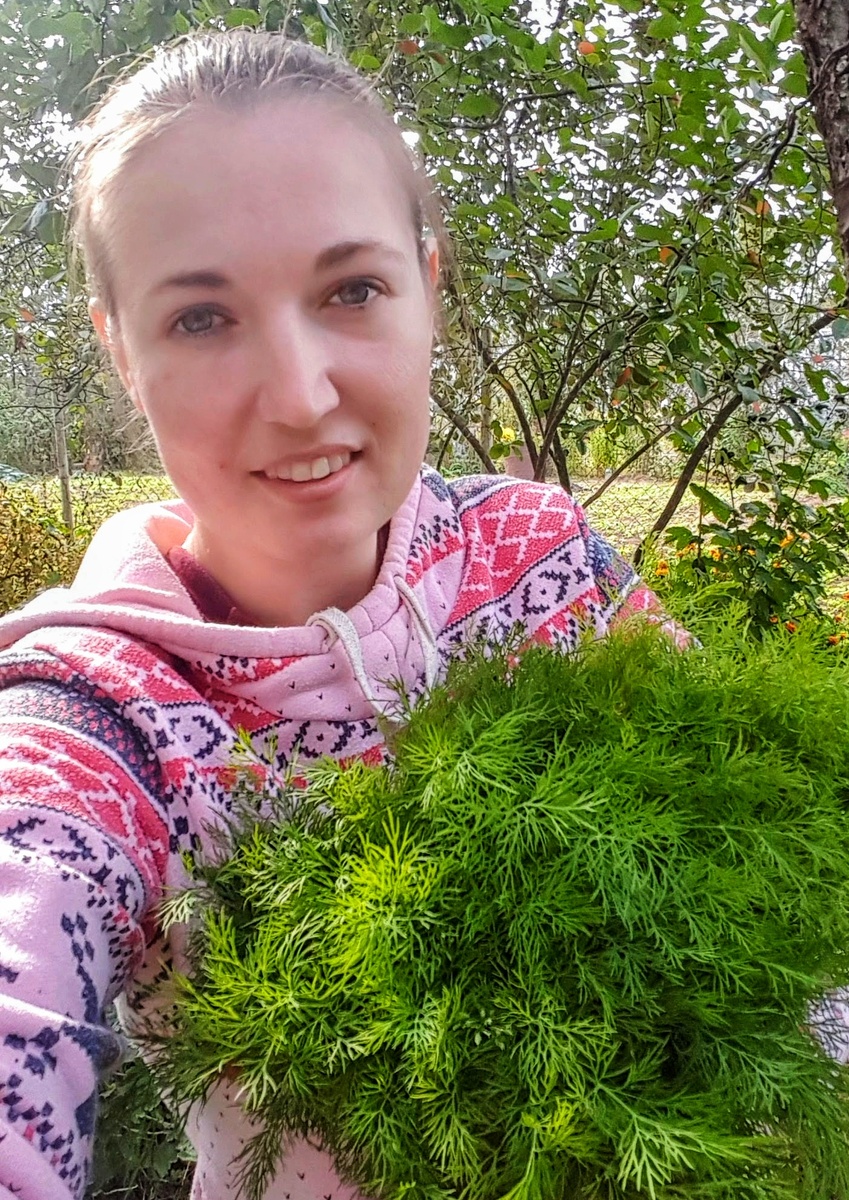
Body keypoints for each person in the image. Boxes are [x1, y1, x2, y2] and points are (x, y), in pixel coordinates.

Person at [0, 29, 663, 1200]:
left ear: (429, 289)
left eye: (352, 290)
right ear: (121, 352)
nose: (302, 398)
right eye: (201, 318)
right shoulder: (98, 726)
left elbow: (773, 850)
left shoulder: (545, 560)